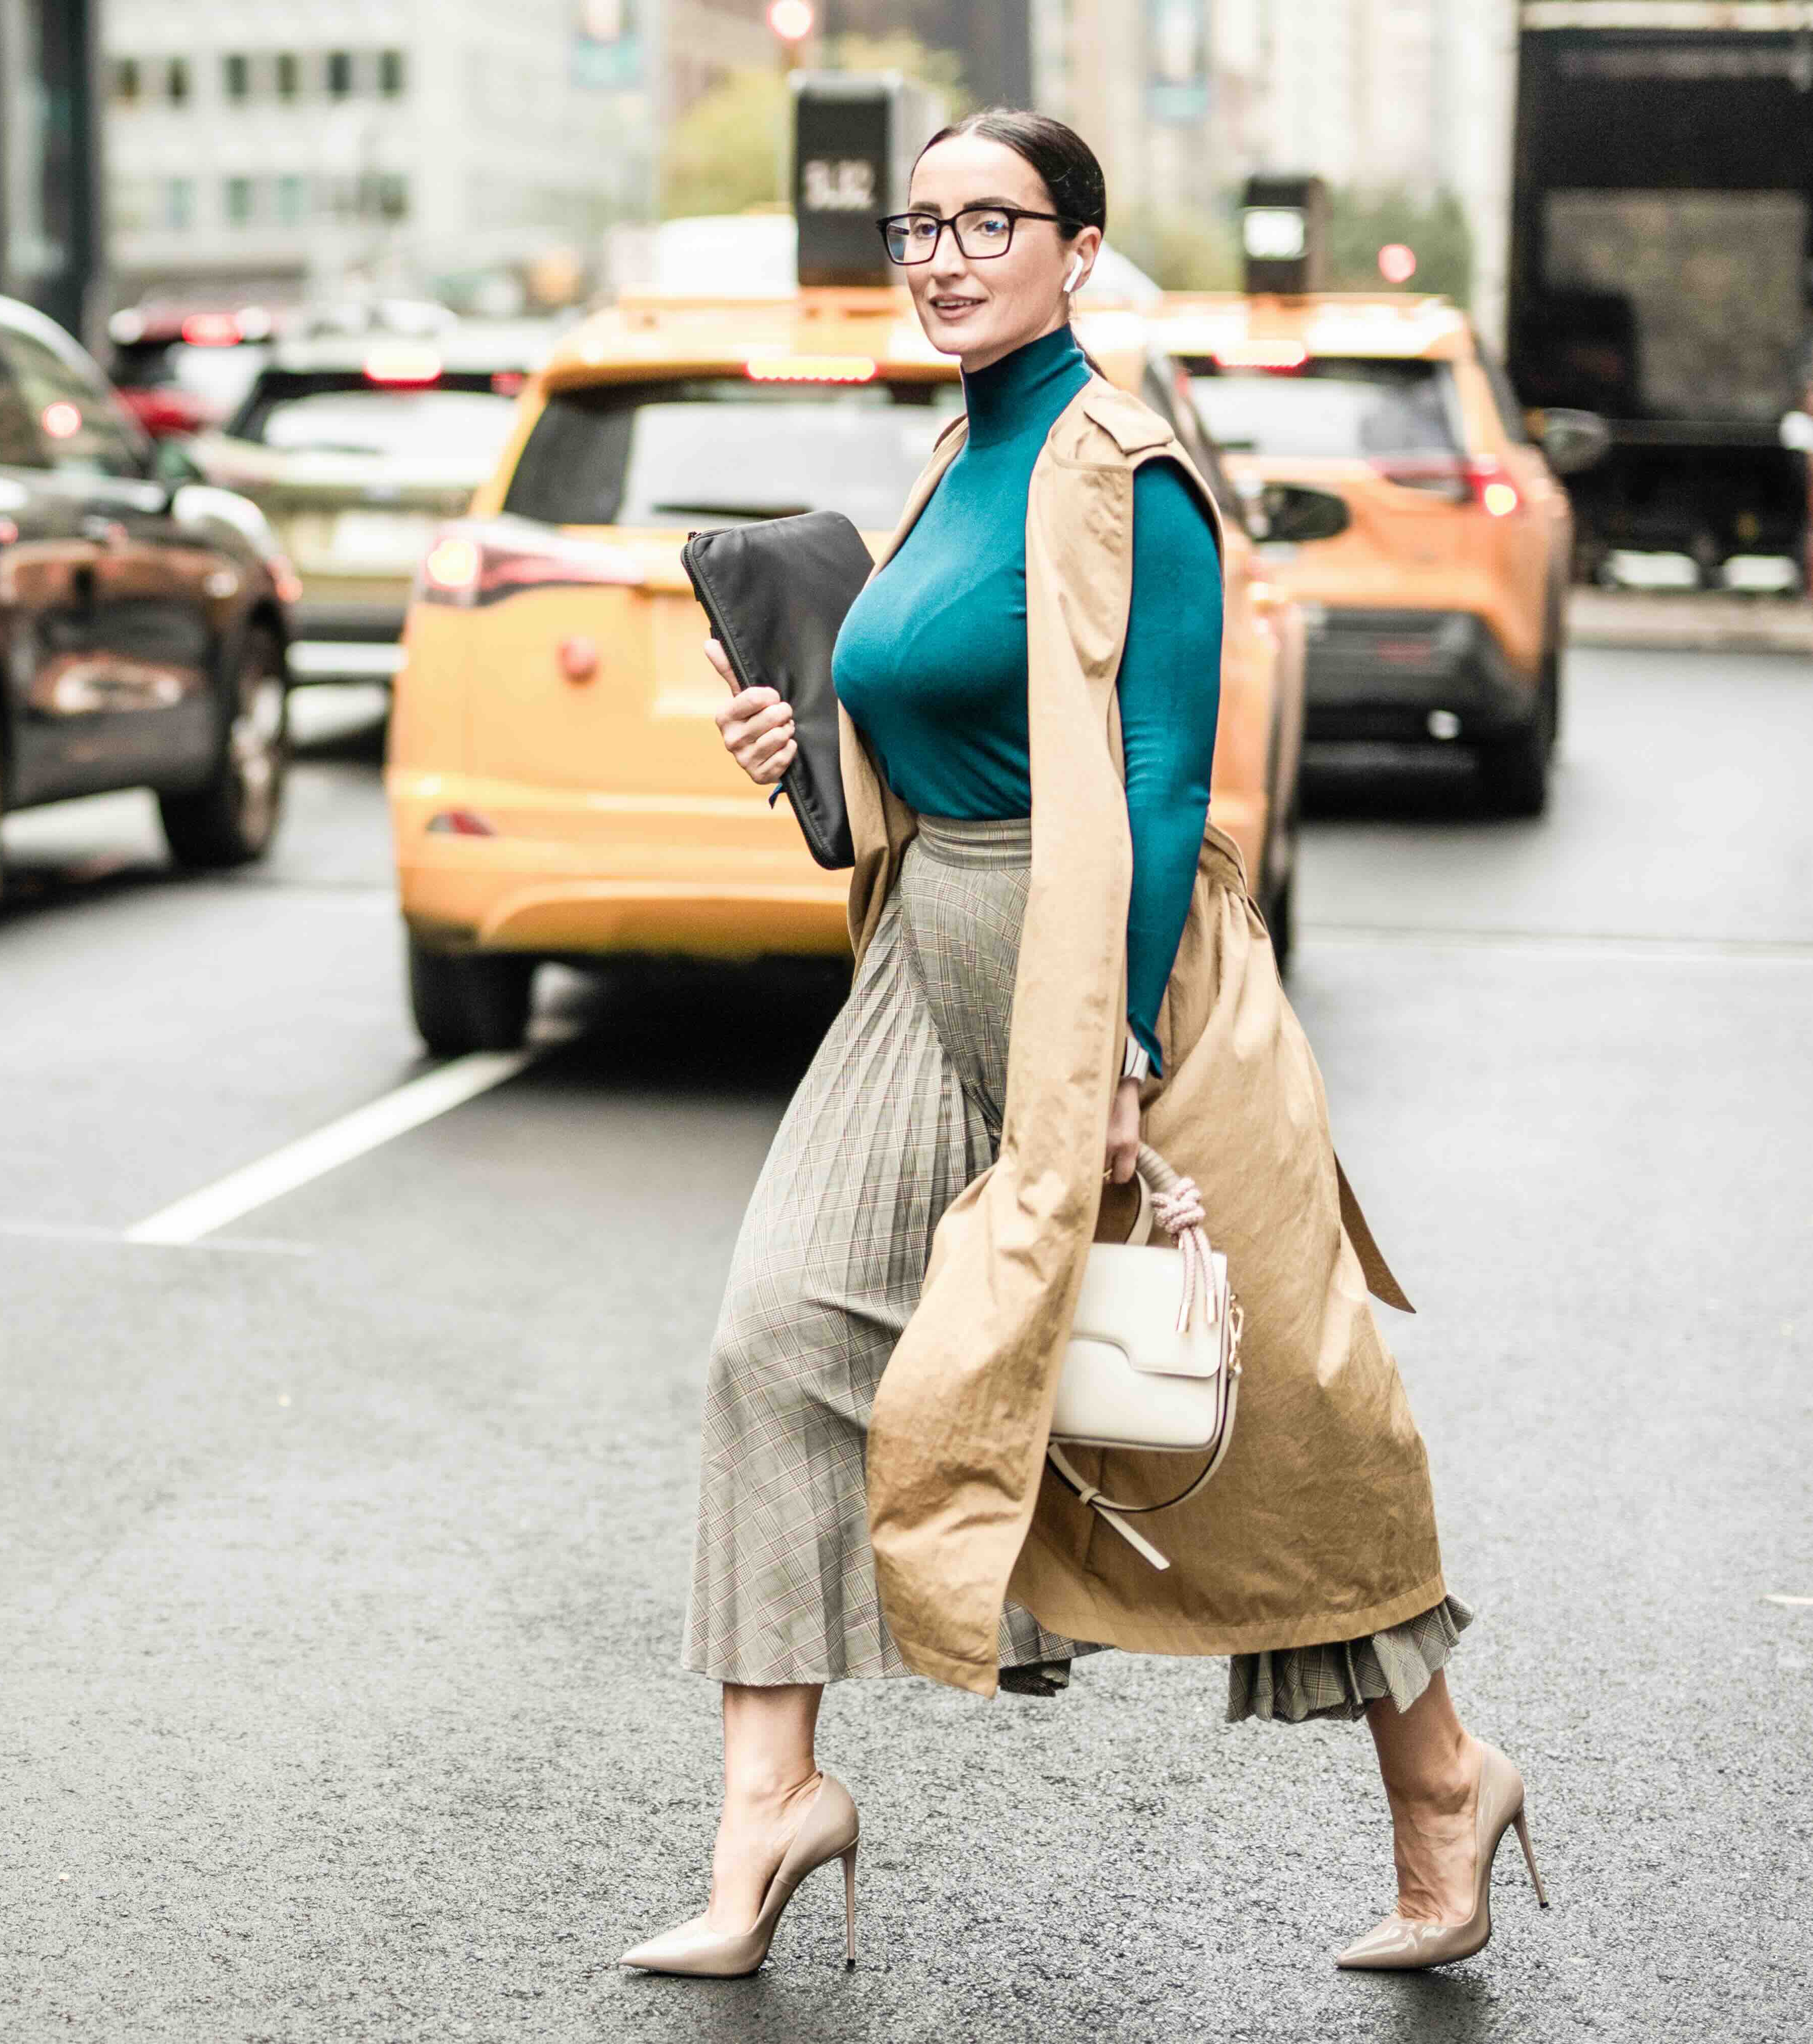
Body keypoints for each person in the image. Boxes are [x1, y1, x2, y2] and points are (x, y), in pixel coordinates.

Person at [621, 111, 1543, 1980]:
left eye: (990, 222)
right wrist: (806, 751)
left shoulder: (1126, 466)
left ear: (1082, 250)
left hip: (1099, 966)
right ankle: (769, 1802)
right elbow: (925, 702)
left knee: (1275, 1410)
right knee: (777, 1333)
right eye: (922, 224)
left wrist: (1115, 1045)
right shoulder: (951, 451)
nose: (945, 254)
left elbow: (1148, 769)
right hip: (923, 956)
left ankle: (1443, 1780)